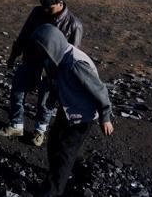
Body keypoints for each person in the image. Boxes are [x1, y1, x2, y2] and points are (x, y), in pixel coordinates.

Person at [30, 24, 113, 197]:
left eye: (39, 47)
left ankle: (53, 191)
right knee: (54, 144)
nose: (37, 51)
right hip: (68, 110)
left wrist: (105, 116)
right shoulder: (55, 58)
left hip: (83, 115)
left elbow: (99, 90)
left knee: (65, 152)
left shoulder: (75, 63)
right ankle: (64, 173)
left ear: (49, 45)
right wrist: (51, 101)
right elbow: (55, 82)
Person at [0, 0, 83, 146]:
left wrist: (65, 79)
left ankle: (40, 131)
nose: (45, 10)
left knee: (46, 102)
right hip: (30, 60)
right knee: (17, 91)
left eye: (48, 8)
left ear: (60, 3)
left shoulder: (74, 25)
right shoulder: (37, 12)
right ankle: (16, 125)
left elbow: (73, 55)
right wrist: (13, 56)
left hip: (52, 70)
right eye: (43, 6)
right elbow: (23, 35)